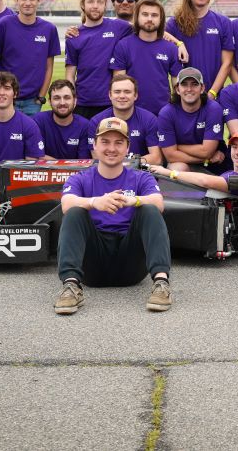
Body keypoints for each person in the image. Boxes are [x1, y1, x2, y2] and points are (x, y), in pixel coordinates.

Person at [54, 116, 172, 314]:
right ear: (95, 145)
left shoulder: (141, 177)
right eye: (105, 142)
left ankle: (161, 283)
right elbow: (66, 204)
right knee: (75, 212)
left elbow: (158, 202)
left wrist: (134, 200)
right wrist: (94, 202)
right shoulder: (80, 178)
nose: (112, 148)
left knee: (150, 209)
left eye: (119, 143)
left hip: (131, 264)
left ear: (127, 147)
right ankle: (71, 286)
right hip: (92, 265)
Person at [65, 0, 133, 119]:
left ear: (105, 6)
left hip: (111, 103)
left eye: (99, 2)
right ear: (83, 5)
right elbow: (70, 76)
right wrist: (72, 99)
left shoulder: (119, 27)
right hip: (83, 104)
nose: (95, 6)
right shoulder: (74, 36)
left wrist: (178, 43)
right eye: (91, 2)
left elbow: (151, 28)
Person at [0, 0, 60, 116]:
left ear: (39, 0)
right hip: (7, 97)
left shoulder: (49, 29)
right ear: (16, 0)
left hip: (33, 102)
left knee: (31, 136)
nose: (28, 3)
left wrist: (41, 97)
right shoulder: (4, 25)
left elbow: (49, 67)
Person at [167, 0, 234, 99]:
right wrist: (179, 43)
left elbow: (227, 63)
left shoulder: (223, 22)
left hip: (214, 97)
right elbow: (158, 33)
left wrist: (212, 93)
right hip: (185, 98)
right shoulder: (175, 22)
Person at [111, 0, 184, 115]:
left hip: (162, 113)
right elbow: (118, 83)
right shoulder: (123, 45)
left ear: (161, 19)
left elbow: (177, 86)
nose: (149, 19)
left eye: (154, 15)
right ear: (137, 17)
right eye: (145, 14)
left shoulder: (170, 48)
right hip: (131, 113)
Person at [149, 128, 238, 196]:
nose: (237, 152)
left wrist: (168, 173)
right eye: (234, 147)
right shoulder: (234, 173)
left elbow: (205, 181)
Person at [157, 68, 226, 173]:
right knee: (177, 168)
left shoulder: (213, 109)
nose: (189, 89)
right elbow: (170, 156)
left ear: (202, 88)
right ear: (177, 89)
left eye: (194, 84)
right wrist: (205, 159)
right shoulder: (166, 113)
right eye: (184, 84)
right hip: (190, 162)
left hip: (215, 165)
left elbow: (206, 151)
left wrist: (177, 147)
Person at [95, 74, 163, 165]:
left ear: (135, 95)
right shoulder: (97, 121)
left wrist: (125, 163)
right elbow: (96, 159)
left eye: (127, 92)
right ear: (110, 95)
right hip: (108, 173)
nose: (122, 96)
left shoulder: (149, 120)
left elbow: (156, 158)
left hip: (140, 172)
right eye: (117, 92)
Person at [34, 80, 94, 160]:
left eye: (67, 98)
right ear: (49, 101)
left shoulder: (85, 126)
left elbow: (83, 163)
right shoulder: (38, 121)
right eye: (57, 98)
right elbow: (34, 156)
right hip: (44, 172)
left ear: (75, 101)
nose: (62, 103)